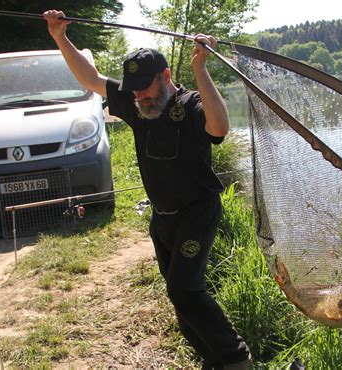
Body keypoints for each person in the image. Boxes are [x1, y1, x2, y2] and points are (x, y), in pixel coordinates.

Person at [43, 10, 251, 369]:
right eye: (134, 90)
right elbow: (91, 78)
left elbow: (219, 128)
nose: (139, 96)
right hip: (163, 219)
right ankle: (213, 359)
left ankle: (236, 359)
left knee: (185, 290)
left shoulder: (189, 106)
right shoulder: (136, 103)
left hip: (197, 213)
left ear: (166, 77)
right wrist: (60, 37)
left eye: (146, 88)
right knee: (180, 299)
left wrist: (201, 69)